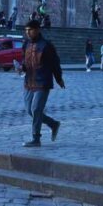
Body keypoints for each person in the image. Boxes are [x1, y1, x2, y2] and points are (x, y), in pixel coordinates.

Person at [19, 18, 64, 147]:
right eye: (26, 30)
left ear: (37, 30)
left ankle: (36, 138)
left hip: (42, 82)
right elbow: (25, 61)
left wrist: (59, 78)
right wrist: (21, 67)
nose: (28, 33)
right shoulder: (26, 44)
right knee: (29, 111)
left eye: (30, 30)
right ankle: (53, 124)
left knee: (36, 109)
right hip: (29, 82)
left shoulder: (46, 46)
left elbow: (55, 63)